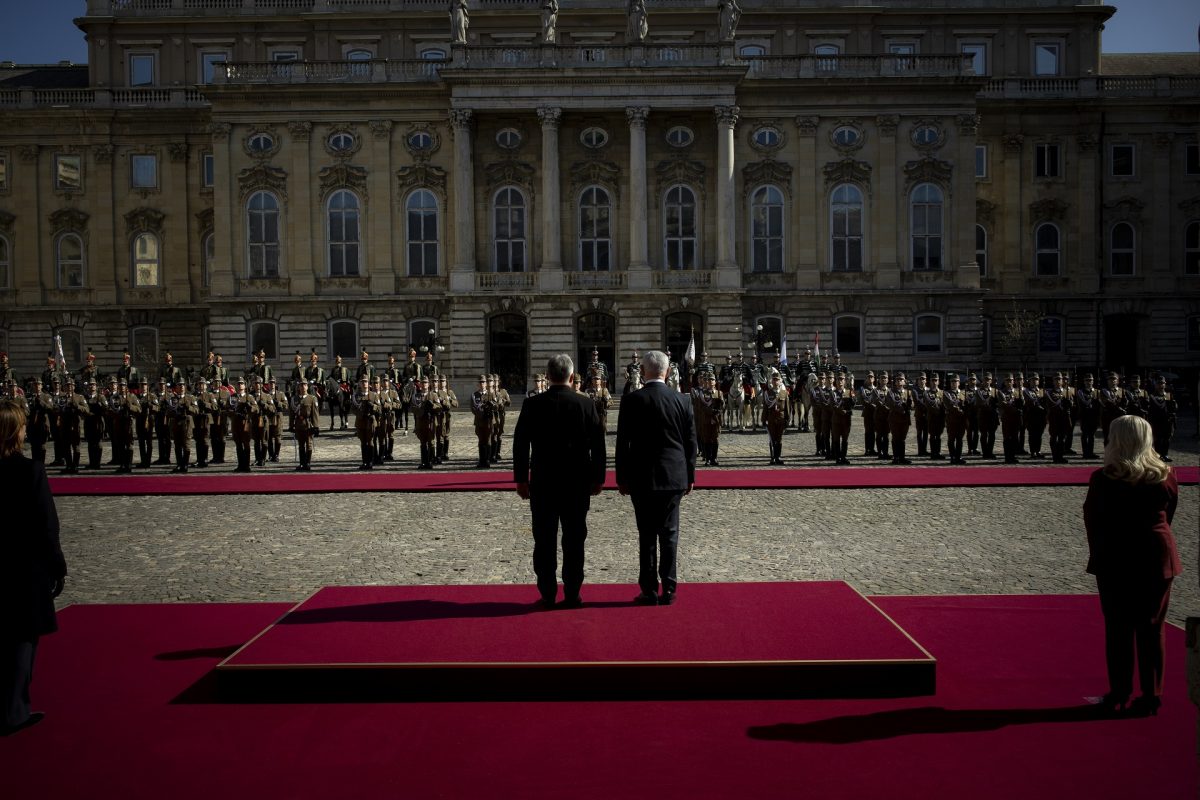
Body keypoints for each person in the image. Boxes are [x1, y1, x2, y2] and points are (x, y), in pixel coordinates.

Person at [1082, 415, 1181, 717]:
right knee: (1153, 628)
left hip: (1116, 557)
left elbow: (1093, 521)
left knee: (1119, 628)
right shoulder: (1165, 474)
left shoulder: (1104, 478)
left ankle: (1120, 692)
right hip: (1156, 555)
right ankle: (1152, 695)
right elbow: (1170, 513)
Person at [512, 354, 606, 609]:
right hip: (577, 483)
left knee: (544, 540)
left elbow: (520, 444)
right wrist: (599, 478)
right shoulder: (585, 405)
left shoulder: (533, 404)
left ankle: (547, 593)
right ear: (572, 377)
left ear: (549, 376)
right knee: (574, 539)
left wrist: (521, 479)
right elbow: (599, 445)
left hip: (543, 483)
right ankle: (573, 593)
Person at [0, 398, 67, 736]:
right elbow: (46, 526)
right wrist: (58, 566)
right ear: (15, 433)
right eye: (23, 426)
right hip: (24, 569)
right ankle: (14, 711)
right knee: (21, 643)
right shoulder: (30, 471)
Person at [615, 350, 697, 606]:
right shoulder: (682, 400)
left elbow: (622, 444)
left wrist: (621, 478)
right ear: (668, 371)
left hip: (641, 477)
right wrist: (690, 476)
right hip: (673, 476)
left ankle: (649, 589)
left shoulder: (631, 400)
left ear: (643, 371)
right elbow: (691, 443)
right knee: (670, 533)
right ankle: (670, 588)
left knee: (647, 535)